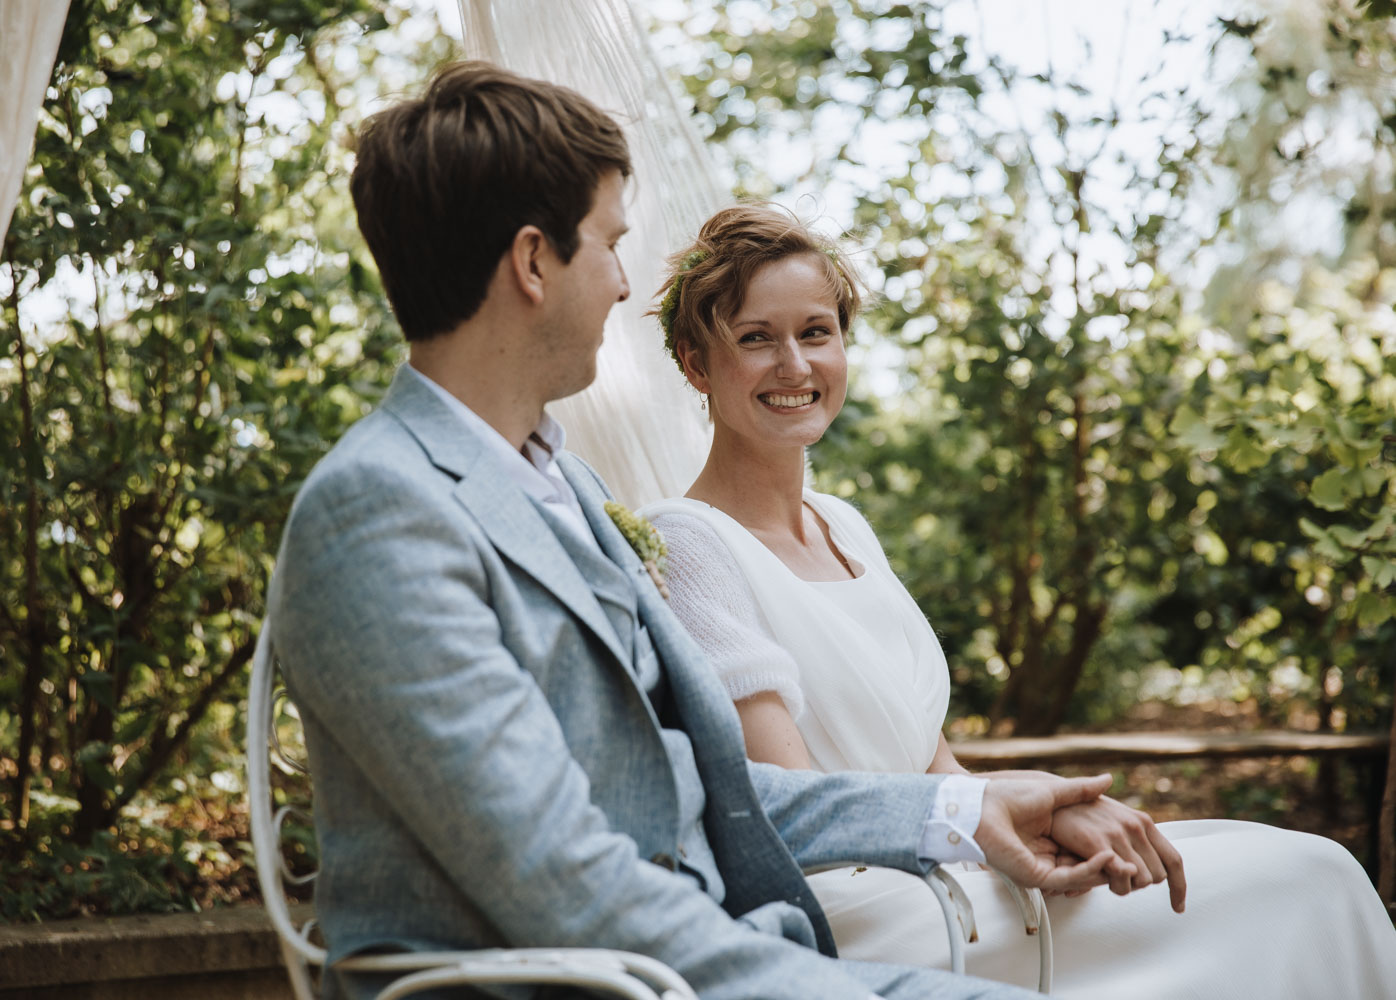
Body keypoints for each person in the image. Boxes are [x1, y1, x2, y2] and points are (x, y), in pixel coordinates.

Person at [265, 62, 1176, 1000]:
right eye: (609, 244)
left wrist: (967, 805)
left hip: (694, 956)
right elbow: (557, 879)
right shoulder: (379, 511)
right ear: (534, 262)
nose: (623, 283)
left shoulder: (567, 486)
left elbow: (711, 792)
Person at [640, 202, 1396, 998]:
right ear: (696, 364)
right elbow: (795, 810)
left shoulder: (845, 527)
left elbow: (935, 763)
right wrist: (988, 815)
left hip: (952, 855)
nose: (795, 364)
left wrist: (1046, 813)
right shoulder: (688, 543)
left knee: (1304, 867)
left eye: (816, 332)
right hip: (867, 907)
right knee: (1298, 880)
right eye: (756, 338)